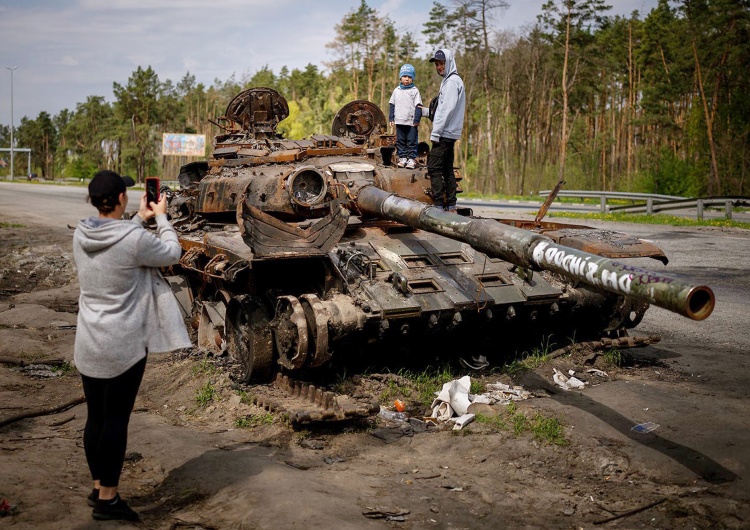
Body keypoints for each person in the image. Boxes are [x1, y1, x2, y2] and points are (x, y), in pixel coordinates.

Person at [73, 170, 191, 521]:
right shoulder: (133, 240)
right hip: (123, 348)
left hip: (88, 343)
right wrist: (161, 217)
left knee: (95, 417)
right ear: (122, 199)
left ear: (94, 202)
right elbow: (172, 251)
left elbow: (121, 238)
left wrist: (139, 219)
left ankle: (98, 487)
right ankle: (109, 501)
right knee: (115, 421)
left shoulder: (81, 234)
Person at [427, 49, 465, 212]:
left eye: (442, 63)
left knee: (433, 166)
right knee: (447, 168)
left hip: (444, 133)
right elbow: (441, 108)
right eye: (437, 64)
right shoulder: (452, 81)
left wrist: (436, 133)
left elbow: (446, 110)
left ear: (449, 62)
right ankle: (450, 204)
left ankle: (437, 206)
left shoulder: (451, 82)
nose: (439, 67)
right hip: (450, 133)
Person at [389, 63, 423, 170]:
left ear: (412, 78)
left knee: (412, 141)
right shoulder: (396, 90)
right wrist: (391, 118)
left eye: (409, 77)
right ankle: (403, 158)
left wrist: (417, 120)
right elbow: (392, 104)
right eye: (404, 76)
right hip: (399, 121)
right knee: (401, 141)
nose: (406, 79)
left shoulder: (414, 91)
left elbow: (418, 106)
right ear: (400, 77)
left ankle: (411, 159)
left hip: (411, 122)